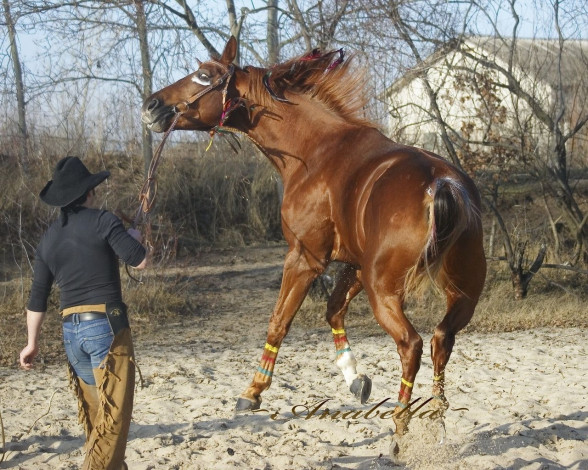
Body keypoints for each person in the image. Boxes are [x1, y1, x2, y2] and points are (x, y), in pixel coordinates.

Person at [19, 156, 148, 470]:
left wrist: (31, 344)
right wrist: (138, 238)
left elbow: (37, 299)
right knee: (113, 419)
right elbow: (139, 260)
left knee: (97, 418)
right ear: (88, 193)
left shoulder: (49, 239)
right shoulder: (103, 220)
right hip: (106, 328)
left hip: (71, 334)